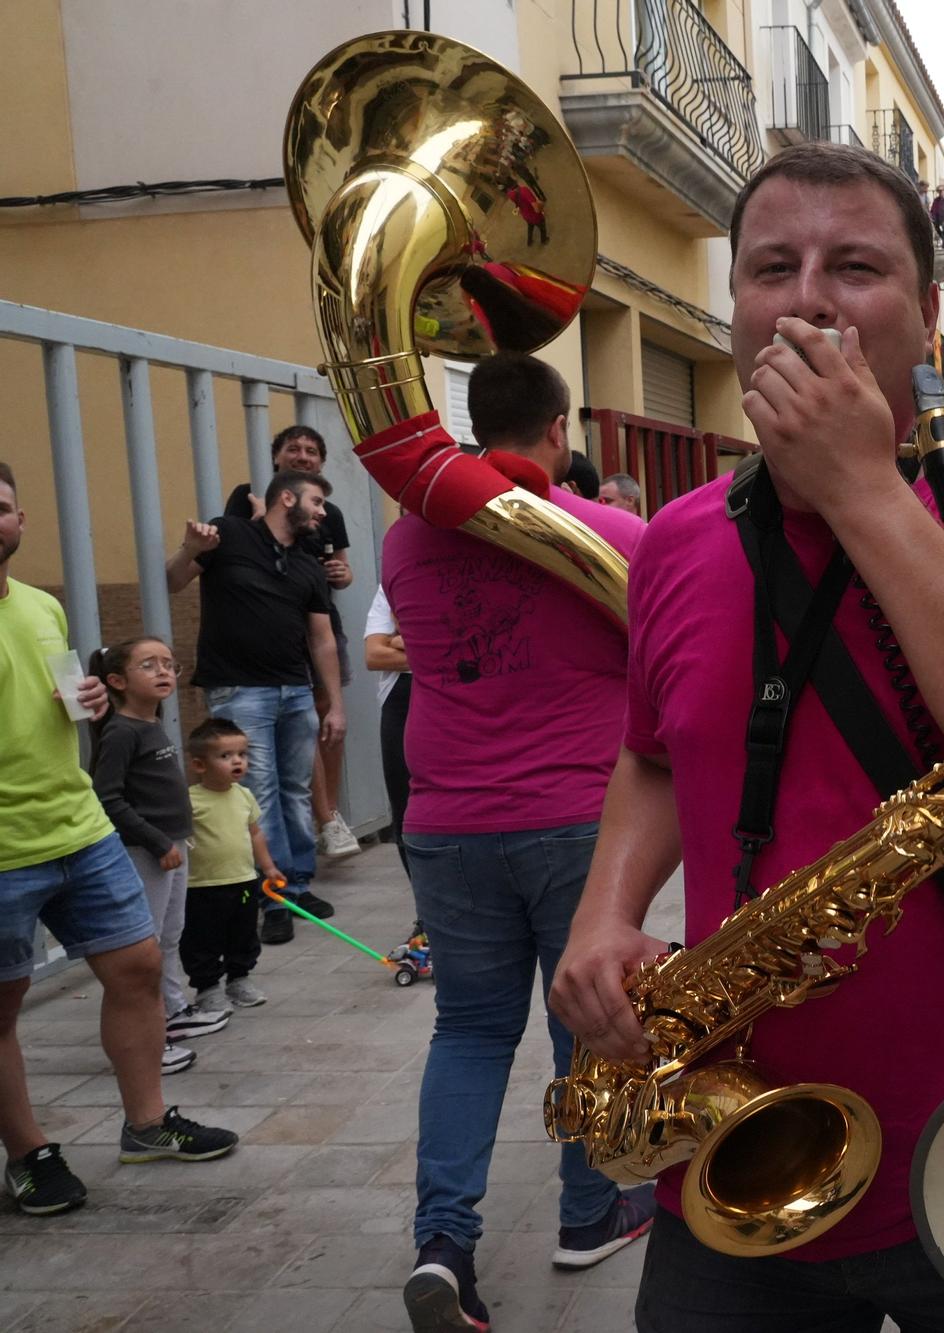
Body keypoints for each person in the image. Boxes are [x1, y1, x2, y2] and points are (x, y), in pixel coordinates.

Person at [548, 142, 944, 1332]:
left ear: (924, 317)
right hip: (739, 1140)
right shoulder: (673, 539)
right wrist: (605, 912)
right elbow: (658, 750)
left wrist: (864, 490)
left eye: (853, 266)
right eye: (771, 267)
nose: (806, 296)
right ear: (735, 314)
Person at [387, 353, 654, 1329]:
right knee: (584, 1023)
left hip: (446, 820)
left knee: (465, 1030)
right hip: (574, 814)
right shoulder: (616, 532)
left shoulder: (405, 543)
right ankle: (591, 1214)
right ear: (558, 429)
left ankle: (443, 1242)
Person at [1, 461, 238, 1219]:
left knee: (136, 965)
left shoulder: (41, 607)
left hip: (78, 823)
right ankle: (29, 1153)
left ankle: (145, 1124)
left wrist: (95, 700)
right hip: (4, 848)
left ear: (21, 520)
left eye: (2, 505)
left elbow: (63, 702)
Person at [169, 470, 345, 945]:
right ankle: (273, 896)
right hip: (240, 690)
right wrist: (189, 549)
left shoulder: (307, 563)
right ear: (285, 497)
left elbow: (322, 639)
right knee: (259, 792)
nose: (323, 512)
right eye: (316, 502)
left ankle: (298, 884)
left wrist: (335, 705)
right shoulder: (227, 535)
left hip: (295, 690)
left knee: (294, 789)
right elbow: (173, 580)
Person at [223, 426, 362, 863]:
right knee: (296, 726)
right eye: (293, 449)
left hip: (321, 621)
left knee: (328, 719)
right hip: (273, 628)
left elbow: (343, 568)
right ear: (276, 458)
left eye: (311, 451)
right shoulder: (247, 497)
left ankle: (330, 817)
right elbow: (241, 546)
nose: (303, 457)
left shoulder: (329, 512)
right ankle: (320, 819)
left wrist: (342, 574)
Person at [87, 637, 220, 1071]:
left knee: (169, 934)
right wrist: (157, 841)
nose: (164, 672)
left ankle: (172, 1010)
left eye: (168, 664)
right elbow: (107, 797)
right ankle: (148, 1038)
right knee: (144, 945)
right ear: (117, 681)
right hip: (147, 851)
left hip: (171, 846)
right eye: (149, 665)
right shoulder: (121, 732)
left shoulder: (151, 722)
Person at [179, 718, 279, 1016]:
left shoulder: (244, 795)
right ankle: (207, 988)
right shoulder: (189, 801)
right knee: (202, 939)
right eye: (226, 756)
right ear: (199, 765)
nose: (237, 761)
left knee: (244, 935)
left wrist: (269, 867)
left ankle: (239, 979)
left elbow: (255, 833)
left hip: (243, 880)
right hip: (201, 887)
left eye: (242, 754)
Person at [362, 585, 412, 872]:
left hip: (462, 700)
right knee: (405, 806)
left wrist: (405, 642)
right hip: (402, 700)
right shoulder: (393, 583)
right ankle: (424, 910)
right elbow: (375, 655)